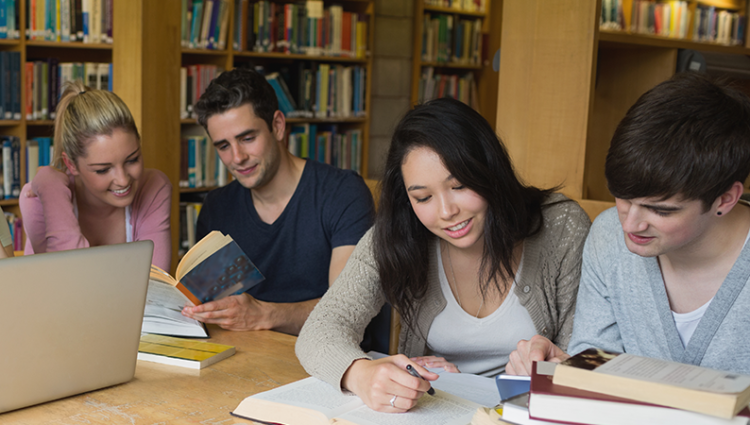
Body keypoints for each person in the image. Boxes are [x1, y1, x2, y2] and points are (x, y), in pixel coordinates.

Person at [295, 97, 591, 413]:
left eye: (460, 185)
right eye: (423, 198)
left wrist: (560, 366)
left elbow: (592, 356)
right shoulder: (395, 234)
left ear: (489, 170)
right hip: (437, 411)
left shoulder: (561, 228)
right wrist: (359, 373)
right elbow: (321, 328)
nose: (447, 212)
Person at [507, 72, 750, 376]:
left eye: (660, 210)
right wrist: (565, 366)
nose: (630, 224)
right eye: (621, 198)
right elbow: (597, 363)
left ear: (725, 200)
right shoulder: (608, 235)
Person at [182, 67, 375, 337]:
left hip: (325, 357)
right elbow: (211, 306)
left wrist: (265, 314)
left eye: (247, 138)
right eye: (223, 146)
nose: (237, 158)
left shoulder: (342, 193)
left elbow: (347, 311)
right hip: (244, 359)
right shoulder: (217, 207)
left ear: (278, 126)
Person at [20, 81, 172, 270]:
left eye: (132, 160)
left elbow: (155, 289)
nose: (123, 180)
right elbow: (64, 282)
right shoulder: (38, 197)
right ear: (71, 164)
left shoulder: (154, 186)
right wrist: (51, 188)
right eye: (102, 170)